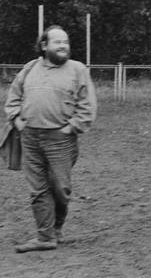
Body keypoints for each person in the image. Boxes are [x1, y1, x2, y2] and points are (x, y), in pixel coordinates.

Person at [4, 26, 97, 253]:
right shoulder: (30, 68)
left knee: (60, 188)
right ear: (44, 46)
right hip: (30, 137)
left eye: (66, 42)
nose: (63, 46)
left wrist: (71, 127)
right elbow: (13, 97)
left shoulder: (77, 69)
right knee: (38, 189)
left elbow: (87, 105)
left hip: (60, 140)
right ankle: (45, 236)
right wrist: (16, 119)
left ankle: (56, 228)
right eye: (58, 42)